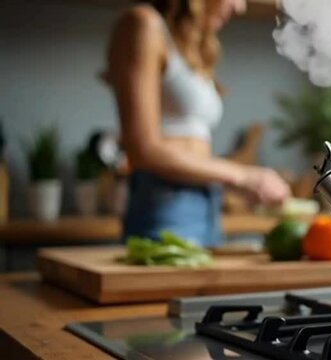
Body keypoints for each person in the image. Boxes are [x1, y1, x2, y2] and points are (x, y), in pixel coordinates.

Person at [105, 0, 291, 246]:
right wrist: (243, 176)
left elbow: (189, 145)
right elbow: (142, 150)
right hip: (165, 207)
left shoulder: (188, 46)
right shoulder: (144, 24)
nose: (240, 7)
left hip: (207, 206)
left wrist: (235, 184)